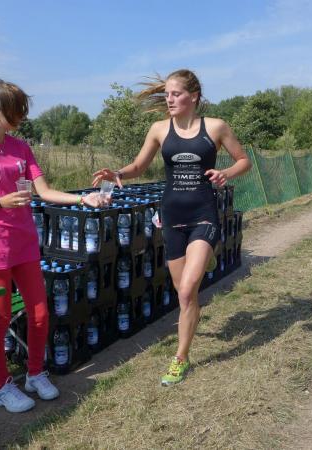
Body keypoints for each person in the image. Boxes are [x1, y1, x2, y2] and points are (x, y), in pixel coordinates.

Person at [0, 79, 106, 413]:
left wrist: (83, 199)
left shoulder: (20, 147)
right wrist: (0, 202)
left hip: (25, 242)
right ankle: (1, 386)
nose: (21, 118)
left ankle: (34, 374)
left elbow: (44, 191)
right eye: (15, 112)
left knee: (40, 312)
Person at [92, 69, 252, 386]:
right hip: (172, 217)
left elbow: (243, 160)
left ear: (194, 96)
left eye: (176, 94)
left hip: (203, 214)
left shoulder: (216, 127)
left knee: (190, 290)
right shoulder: (159, 129)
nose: (169, 99)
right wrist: (118, 173)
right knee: (182, 294)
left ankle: (180, 358)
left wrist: (226, 174)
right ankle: (205, 258)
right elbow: (138, 166)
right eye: (166, 94)